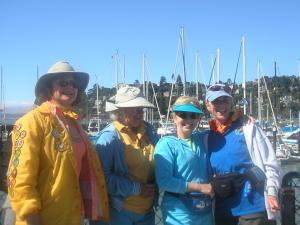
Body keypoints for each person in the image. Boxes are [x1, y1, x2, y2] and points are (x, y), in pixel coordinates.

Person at [6, 61, 109, 225]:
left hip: (73, 216)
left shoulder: (76, 125)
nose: (70, 87)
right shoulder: (31, 122)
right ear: (48, 88)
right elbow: (20, 179)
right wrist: (31, 218)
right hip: (43, 218)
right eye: (63, 83)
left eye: (74, 84)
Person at [205, 83, 281, 225]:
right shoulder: (205, 137)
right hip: (222, 211)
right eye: (216, 101)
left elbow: (271, 164)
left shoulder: (249, 129)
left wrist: (271, 192)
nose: (222, 105)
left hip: (253, 207)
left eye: (225, 100)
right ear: (208, 105)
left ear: (231, 103)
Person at [94, 85, 160, 225]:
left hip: (147, 211)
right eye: (135, 109)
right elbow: (101, 178)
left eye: (141, 109)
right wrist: (137, 188)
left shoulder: (150, 131)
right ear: (120, 111)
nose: (140, 113)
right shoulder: (109, 137)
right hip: (118, 212)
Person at [154, 96, 214, 225]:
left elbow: (223, 128)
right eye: (183, 115)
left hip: (205, 209)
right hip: (179, 212)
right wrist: (200, 187)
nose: (188, 119)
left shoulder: (202, 139)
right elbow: (164, 181)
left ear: (198, 119)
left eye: (193, 116)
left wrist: (242, 120)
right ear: (174, 118)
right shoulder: (166, 144)